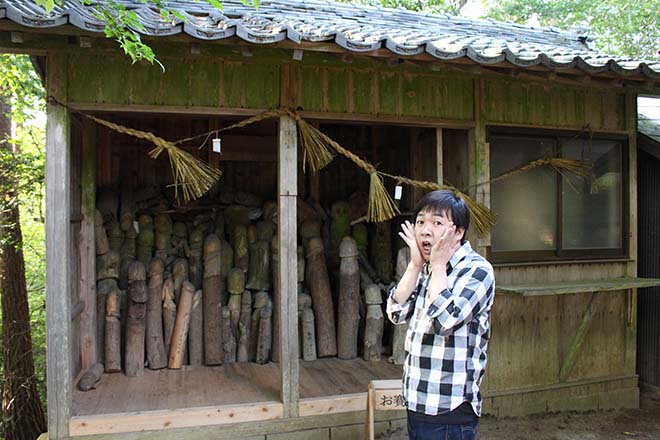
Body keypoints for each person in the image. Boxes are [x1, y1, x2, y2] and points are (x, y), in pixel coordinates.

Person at [386, 189, 495, 440]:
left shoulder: (477, 271)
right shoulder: (426, 267)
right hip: (417, 399)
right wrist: (414, 266)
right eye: (420, 222)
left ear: (458, 232)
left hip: (450, 407)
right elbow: (395, 312)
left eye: (437, 223)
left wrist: (435, 266)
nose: (425, 230)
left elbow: (445, 322)